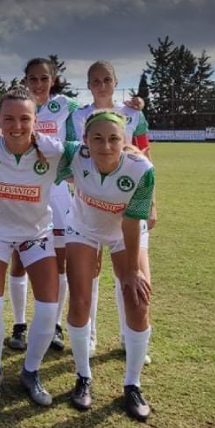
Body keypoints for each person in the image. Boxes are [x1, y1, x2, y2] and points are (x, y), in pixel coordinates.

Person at [58, 110, 155, 421]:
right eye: (97, 138)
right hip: (83, 228)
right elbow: (37, 142)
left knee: (137, 300)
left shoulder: (141, 169)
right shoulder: (74, 154)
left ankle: (133, 384)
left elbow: (131, 222)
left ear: (124, 139)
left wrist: (131, 272)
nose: (106, 145)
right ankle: (83, 377)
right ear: (85, 140)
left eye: (114, 138)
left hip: (124, 232)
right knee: (80, 301)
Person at [0, 88, 65, 405]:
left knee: (48, 307)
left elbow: (93, 154)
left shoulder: (53, 150)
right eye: (9, 118)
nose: (16, 126)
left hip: (35, 232)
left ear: (35, 120)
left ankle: (31, 371)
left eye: (24, 118)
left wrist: (132, 153)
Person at [72, 61, 155, 362]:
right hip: (90, 202)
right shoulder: (77, 114)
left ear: (116, 83)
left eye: (107, 80)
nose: (102, 85)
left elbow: (146, 154)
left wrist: (152, 204)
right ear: (88, 85)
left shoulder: (134, 113)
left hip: (127, 202)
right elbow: (73, 154)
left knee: (129, 275)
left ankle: (127, 335)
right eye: (95, 81)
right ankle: (90, 335)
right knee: (88, 276)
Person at [8, 58, 78, 352]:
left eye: (43, 78)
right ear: (25, 80)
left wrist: (134, 105)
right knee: (19, 260)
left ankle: (55, 325)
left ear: (53, 79)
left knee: (59, 261)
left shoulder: (67, 106)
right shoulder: (16, 105)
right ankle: (19, 324)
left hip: (57, 190)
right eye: (32, 79)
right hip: (23, 189)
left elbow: (84, 129)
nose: (37, 84)